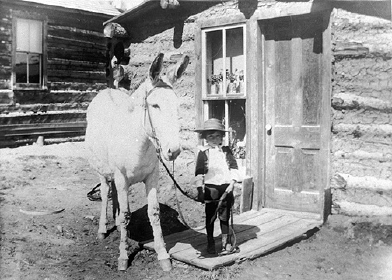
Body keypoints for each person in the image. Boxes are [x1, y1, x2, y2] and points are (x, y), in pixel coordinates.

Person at [193, 118, 239, 255]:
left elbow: (234, 167)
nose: (214, 139)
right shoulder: (203, 152)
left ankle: (226, 243)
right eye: (210, 136)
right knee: (211, 217)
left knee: (224, 216)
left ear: (222, 137)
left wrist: (232, 183)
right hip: (210, 188)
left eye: (217, 136)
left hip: (226, 187)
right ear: (205, 138)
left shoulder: (226, 151)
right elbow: (199, 172)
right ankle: (210, 243)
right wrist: (200, 190)